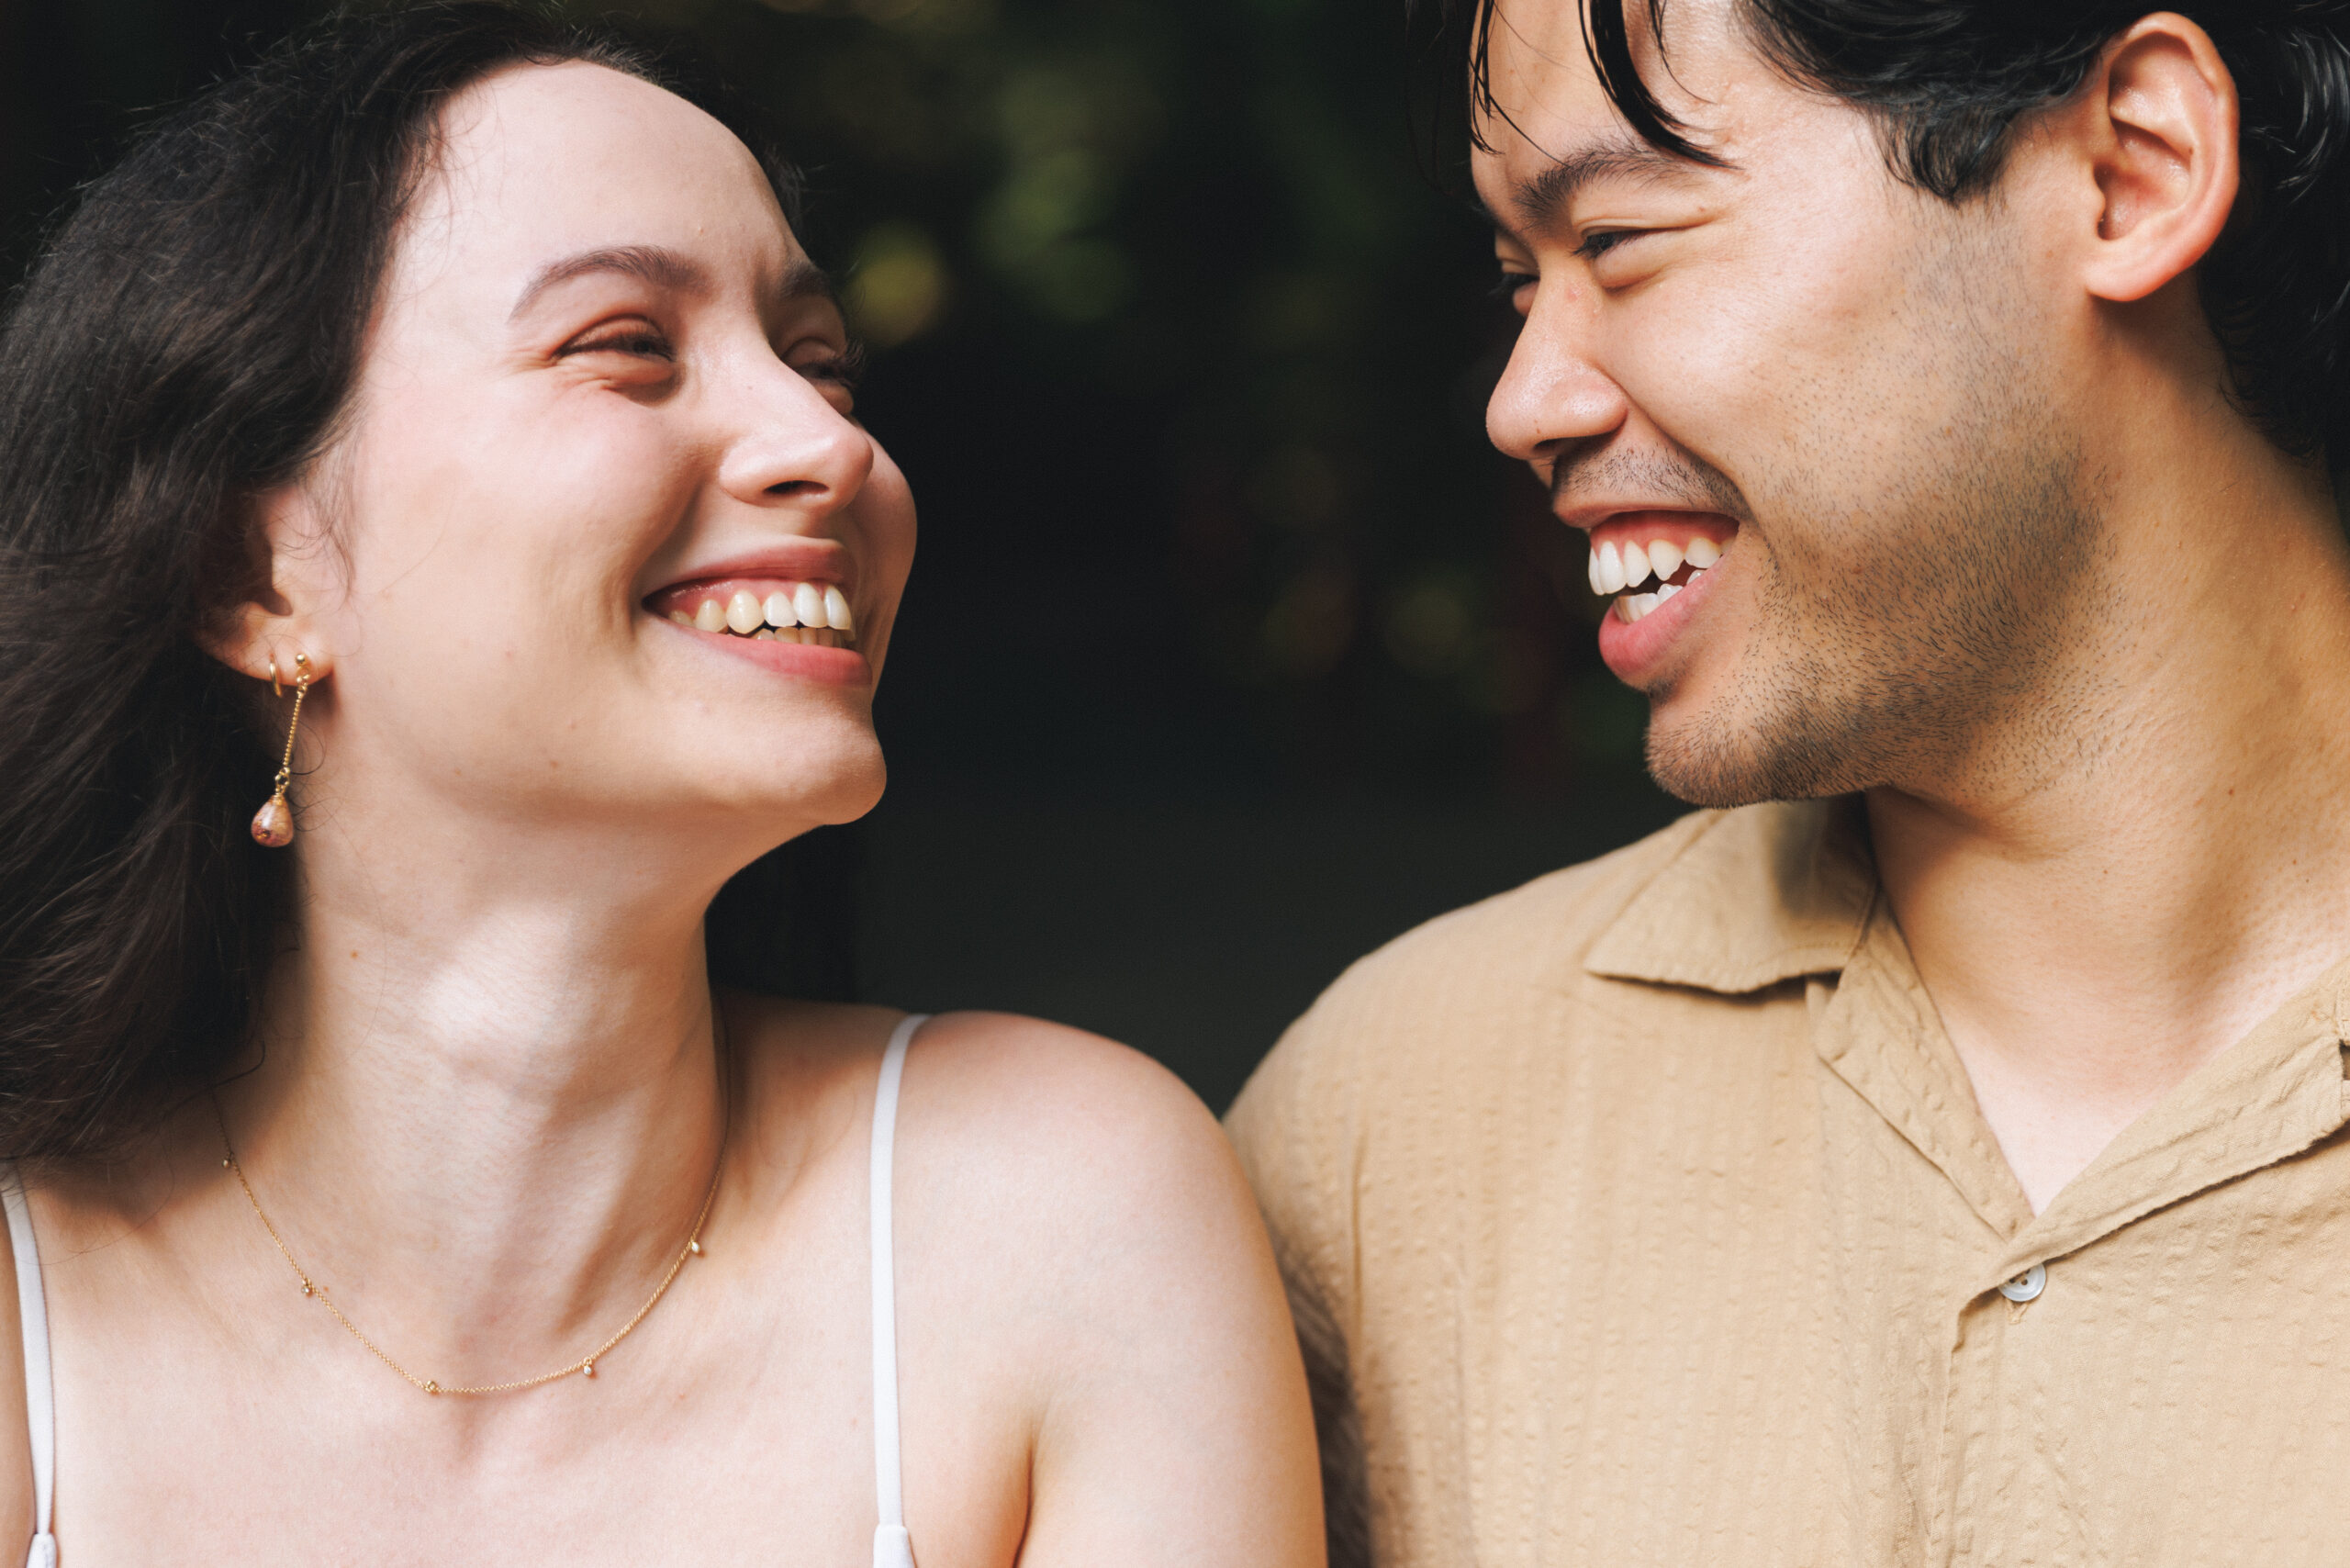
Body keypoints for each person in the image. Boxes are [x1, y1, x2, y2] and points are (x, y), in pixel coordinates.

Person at [0, 6, 1321, 1561]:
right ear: (257, 571)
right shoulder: (29, 1305)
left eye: (821, 364)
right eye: (625, 344)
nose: (825, 445)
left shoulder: (1060, 1218)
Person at [1227, 2, 2350, 1563]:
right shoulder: (1385, 1128)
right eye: (1515, 280)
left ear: (2133, 170)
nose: (1523, 401)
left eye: (1619, 237)